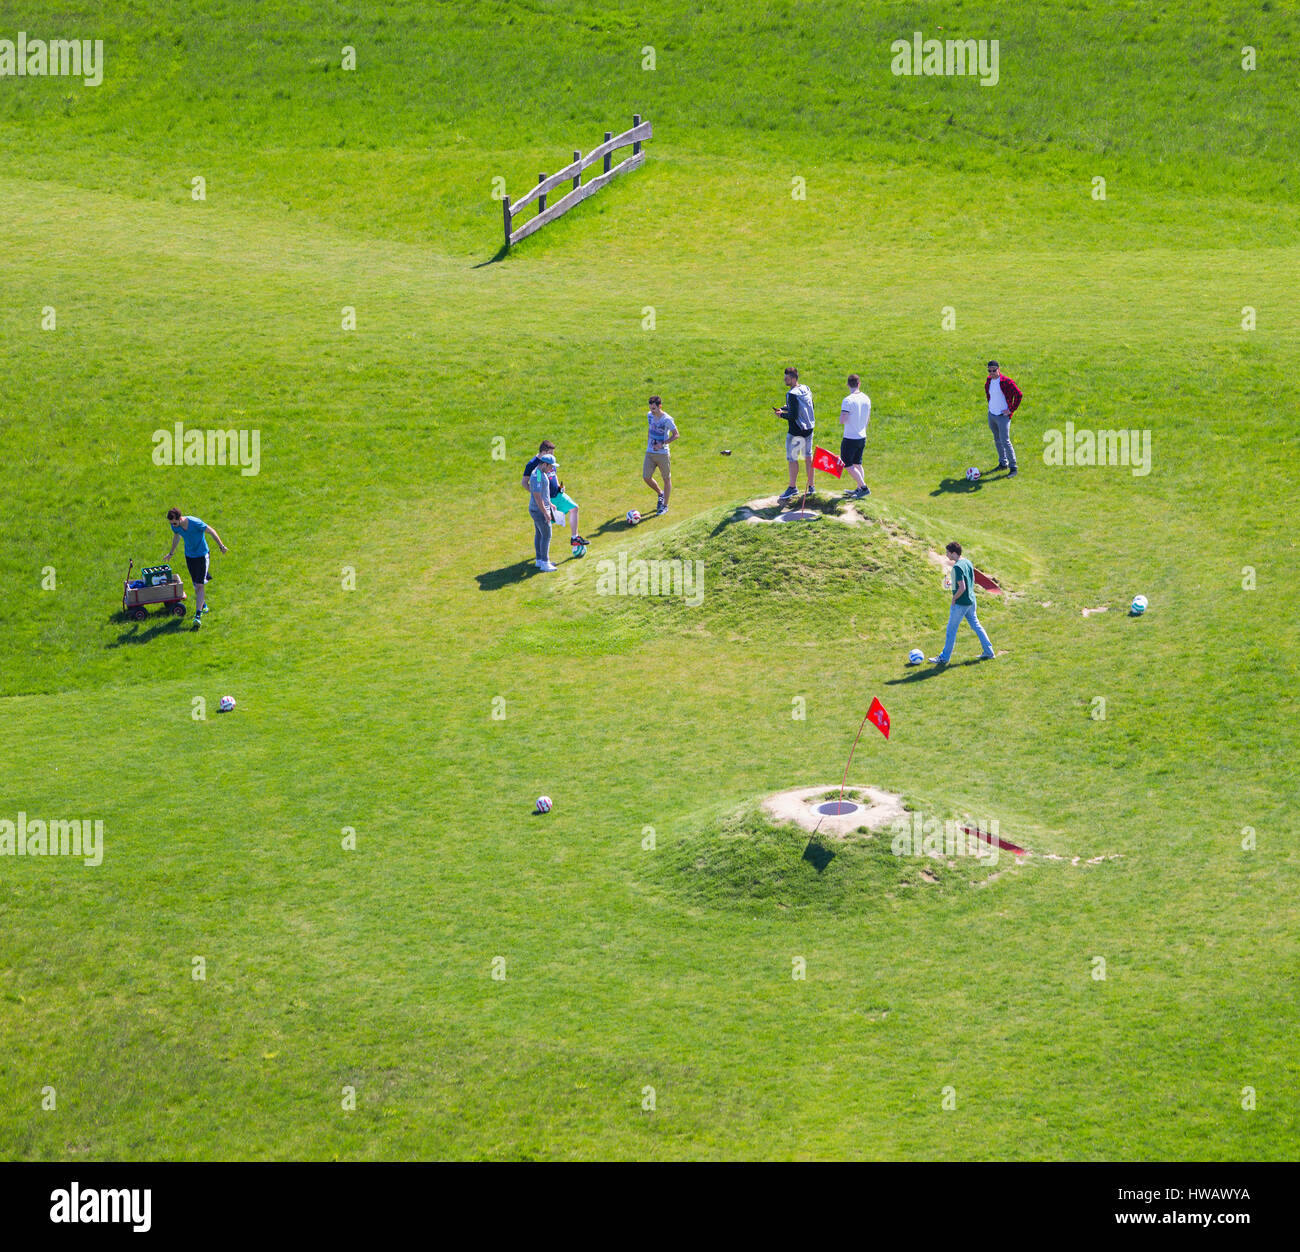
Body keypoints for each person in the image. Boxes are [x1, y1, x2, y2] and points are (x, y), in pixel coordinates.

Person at [930, 541, 995, 666]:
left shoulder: (957, 567)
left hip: (961, 603)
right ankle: (989, 652)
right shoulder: (967, 562)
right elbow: (970, 581)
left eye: (947, 552)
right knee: (976, 626)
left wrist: (954, 599)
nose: (946, 555)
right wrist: (950, 584)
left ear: (953, 553)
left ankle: (944, 658)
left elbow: (962, 587)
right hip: (971, 600)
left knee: (951, 630)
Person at [163, 507, 227, 628]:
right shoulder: (175, 526)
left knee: (199, 585)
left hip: (202, 555)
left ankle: (197, 616)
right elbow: (176, 537)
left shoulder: (195, 522)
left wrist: (221, 546)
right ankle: (203, 605)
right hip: (190, 556)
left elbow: (211, 531)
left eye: (175, 523)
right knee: (195, 584)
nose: (173, 525)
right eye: (171, 524)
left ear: (180, 518)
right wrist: (171, 553)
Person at [522, 440, 588, 551]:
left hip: (558, 495)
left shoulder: (550, 461)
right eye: (551, 453)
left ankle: (574, 537)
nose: (553, 455)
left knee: (574, 508)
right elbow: (524, 483)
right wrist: (536, 494)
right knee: (543, 529)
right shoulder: (533, 465)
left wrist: (559, 487)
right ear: (544, 452)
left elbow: (554, 474)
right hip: (547, 500)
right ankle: (542, 557)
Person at [773, 366, 814, 502]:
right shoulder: (806, 389)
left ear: (793, 378)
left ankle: (792, 487)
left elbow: (794, 415)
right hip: (809, 429)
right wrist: (785, 408)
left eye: (787, 378)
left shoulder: (791, 394)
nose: (785, 380)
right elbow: (809, 406)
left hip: (796, 432)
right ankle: (811, 486)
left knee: (792, 459)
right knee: (808, 457)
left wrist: (781, 415)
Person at [984, 359, 1023, 477]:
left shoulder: (1006, 382)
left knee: (1005, 441)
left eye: (994, 370)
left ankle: (1013, 467)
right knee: (997, 439)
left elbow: (1019, 395)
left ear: (999, 369)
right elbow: (989, 394)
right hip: (992, 415)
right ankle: (1003, 463)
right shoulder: (989, 380)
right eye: (989, 370)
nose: (991, 373)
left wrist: (1011, 410)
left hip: (1003, 417)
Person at [642, 396, 678, 515]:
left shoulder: (667, 419)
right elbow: (650, 428)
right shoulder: (650, 415)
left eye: (654, 408)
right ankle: (660, 493)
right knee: (646, 477)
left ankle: (665, 506)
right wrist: (649, 443)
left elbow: (676, 435)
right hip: (650, 452)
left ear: (660, 406)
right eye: (651, 408)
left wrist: (662, 444)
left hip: (662, 454)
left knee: (666, 479)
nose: (652, 411)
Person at [839, 373, 871, 498]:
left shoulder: (848, 400)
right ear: (859, 384)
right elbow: (867, 418)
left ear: (847, 384)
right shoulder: (866, 398)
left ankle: (863, 487)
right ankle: (859, 488)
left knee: (847, 464)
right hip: (862, 436)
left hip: (850, 437)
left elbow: (843, 419)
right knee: (857, 463)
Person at [527, 453, 558, 571]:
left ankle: (539, 560)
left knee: (539, 534)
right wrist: (546, 512)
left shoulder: (541, 472)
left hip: (538, 509)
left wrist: (550, 504)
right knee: (546, 535)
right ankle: (545, 563)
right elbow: (537, 496)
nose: (552, 469)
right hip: (539, 510)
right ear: (544, 464)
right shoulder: (537, 476)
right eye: (550, 466)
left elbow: (543, 493)